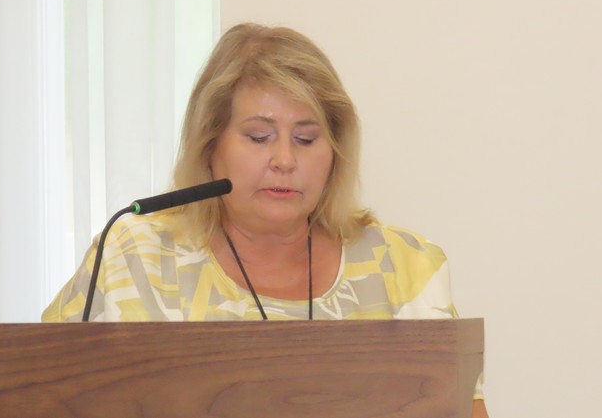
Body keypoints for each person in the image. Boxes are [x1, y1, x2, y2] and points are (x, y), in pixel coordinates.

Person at [42, 23, 489, 417]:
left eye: (306, 139)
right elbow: (35, 397)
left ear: (335, 152)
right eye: (259, 137)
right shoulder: (132, 258)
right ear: (209, 145)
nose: (284, 160)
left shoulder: (406, 267)